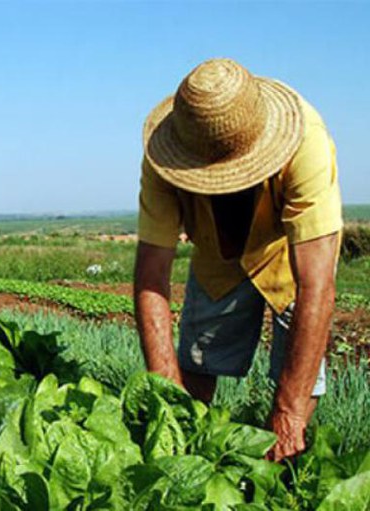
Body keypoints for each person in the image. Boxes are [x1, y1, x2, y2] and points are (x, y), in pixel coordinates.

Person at [135, 58, 342, 462]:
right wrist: (166, 398)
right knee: (197, 363)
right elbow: (151, 275)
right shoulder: (164, 158)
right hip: (215, 251)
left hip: (286, 250)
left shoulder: (306, 142)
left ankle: (283, 464)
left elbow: (317, 285)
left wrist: (288, 412)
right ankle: (190, 451)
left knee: (296, 397)